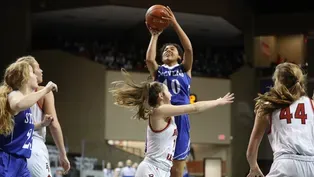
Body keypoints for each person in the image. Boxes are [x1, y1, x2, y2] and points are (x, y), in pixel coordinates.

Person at [110, 69, 234, 177]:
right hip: (151, 168)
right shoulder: (160, 111)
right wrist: (218, 101)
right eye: (168, 90)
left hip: (163, 170)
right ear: (161, 95)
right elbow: (194, 108)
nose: (171, 93)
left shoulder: (167, 112)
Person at [145, 6, 193, 177]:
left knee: (177, 169)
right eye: (165, 50)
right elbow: (149, 59)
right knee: (156, 161)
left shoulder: (184, 69)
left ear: (179, 56)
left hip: (180, 116)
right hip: (162, 115)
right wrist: (154, 35)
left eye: (172, 49)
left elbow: (188, 49)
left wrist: (174, 23)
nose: (168, 50)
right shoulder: (159, 71)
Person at [247, 62, 314, 177]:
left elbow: (252, 149)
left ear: (277, 81)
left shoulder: (267, 106)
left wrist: (254, 167)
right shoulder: (312, 104)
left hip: (286, 165)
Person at [0, 61, 57, 177]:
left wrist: (41, 124)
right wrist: (45, 90)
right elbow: (18, 105)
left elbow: (24, 125)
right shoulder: (14, 95)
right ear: (24, 77)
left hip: (21, 162)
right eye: (32, 72)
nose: (36, 76)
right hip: (7, 159)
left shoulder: (27, 101)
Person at [16, 56, 71, 176]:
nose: (41, 71)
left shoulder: (10, 95)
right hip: (34, 147)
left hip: (13, 150)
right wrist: (62, 153)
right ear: (29, 73)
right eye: (38, 68)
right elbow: (54, 125)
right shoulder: (43, 92)